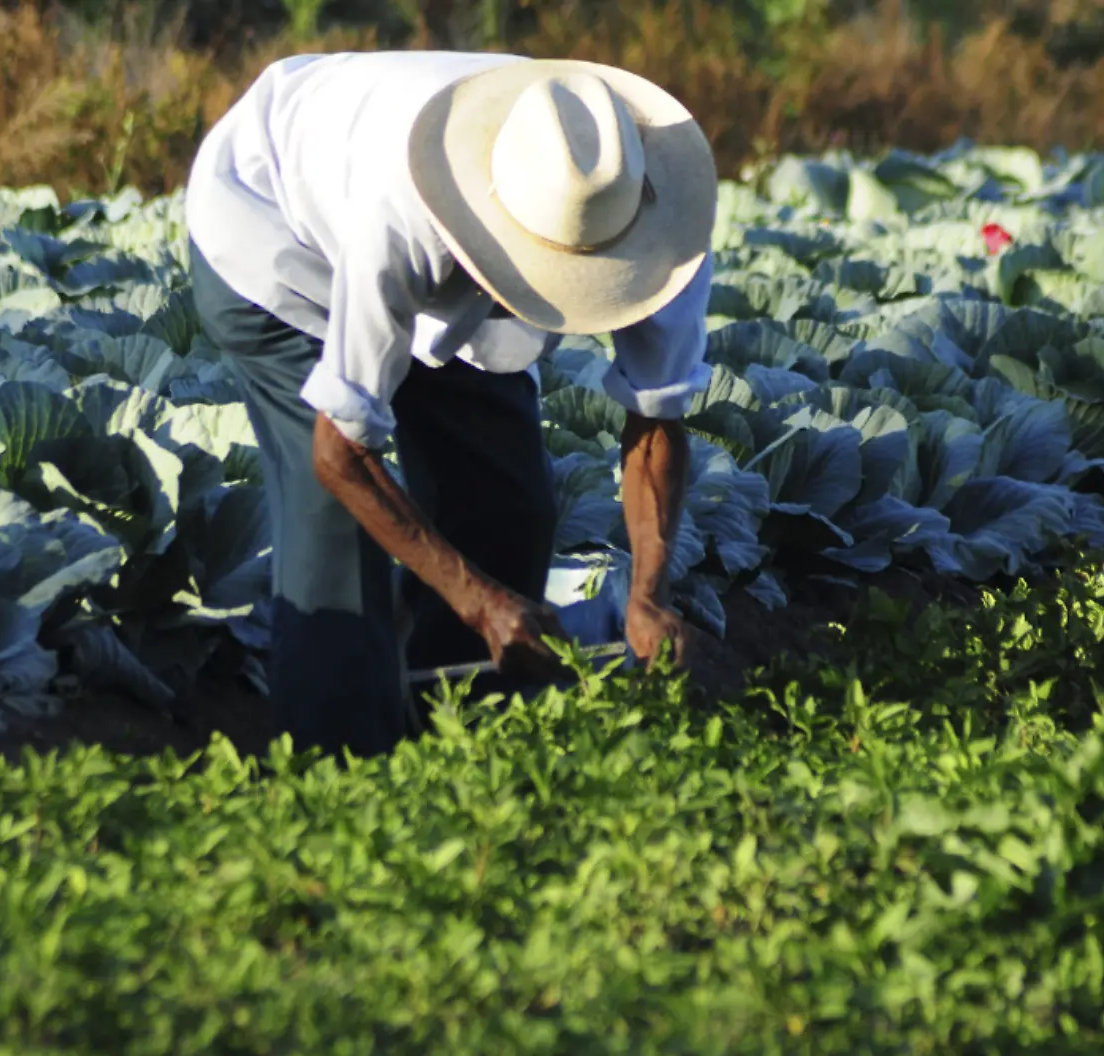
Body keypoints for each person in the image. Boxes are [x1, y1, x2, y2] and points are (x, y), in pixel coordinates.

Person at [184, 50, 717, 759]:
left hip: (448, 252)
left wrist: (649, 592)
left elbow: (656, 420)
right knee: (336, 540)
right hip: (276, 231)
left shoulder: (648, 212)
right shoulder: (403, 214)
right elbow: (339, 452)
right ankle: (341, 785)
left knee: (510, 506)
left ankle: (461, 745)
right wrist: (479, 600)